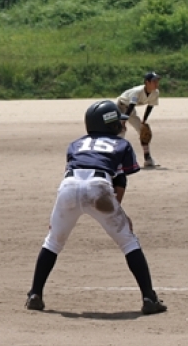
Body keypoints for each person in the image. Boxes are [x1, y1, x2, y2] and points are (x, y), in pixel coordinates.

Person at [25, 100, 167, 315]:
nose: (122, 125)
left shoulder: (75, 144)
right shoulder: (121, 144)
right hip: (98, 187)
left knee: (53, 241)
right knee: (128, 241)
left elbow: (76, 168)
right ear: (109, 125)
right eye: (118, 122)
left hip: (68, 187)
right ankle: (149, 297)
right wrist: (118, 213)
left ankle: (35, 294)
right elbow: (120, 180)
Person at [116, 72, 162, 167]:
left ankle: (147, 158)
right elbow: (131, 106)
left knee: (143, 131)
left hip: (130, 109)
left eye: (157, 81)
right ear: (147, 82)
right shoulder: (137, 91)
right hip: (120, 106)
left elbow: (150, 106)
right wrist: (123, 122)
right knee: (121, 131)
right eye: (154, 81)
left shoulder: (155, 92)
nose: (156, 83)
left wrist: (143, 121)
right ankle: (117, 159)